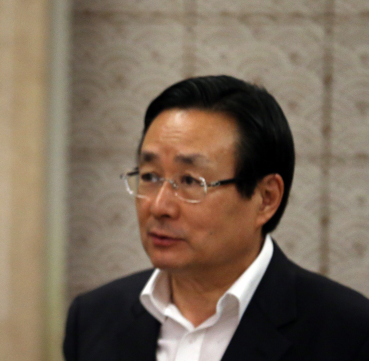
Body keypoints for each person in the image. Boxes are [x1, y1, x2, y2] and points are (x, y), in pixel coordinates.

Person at [63, 75, 369, 361]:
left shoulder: (348, 333)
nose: (159, 206)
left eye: (191, 181)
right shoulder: (93, 318)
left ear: (266, 199)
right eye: (150, 176)